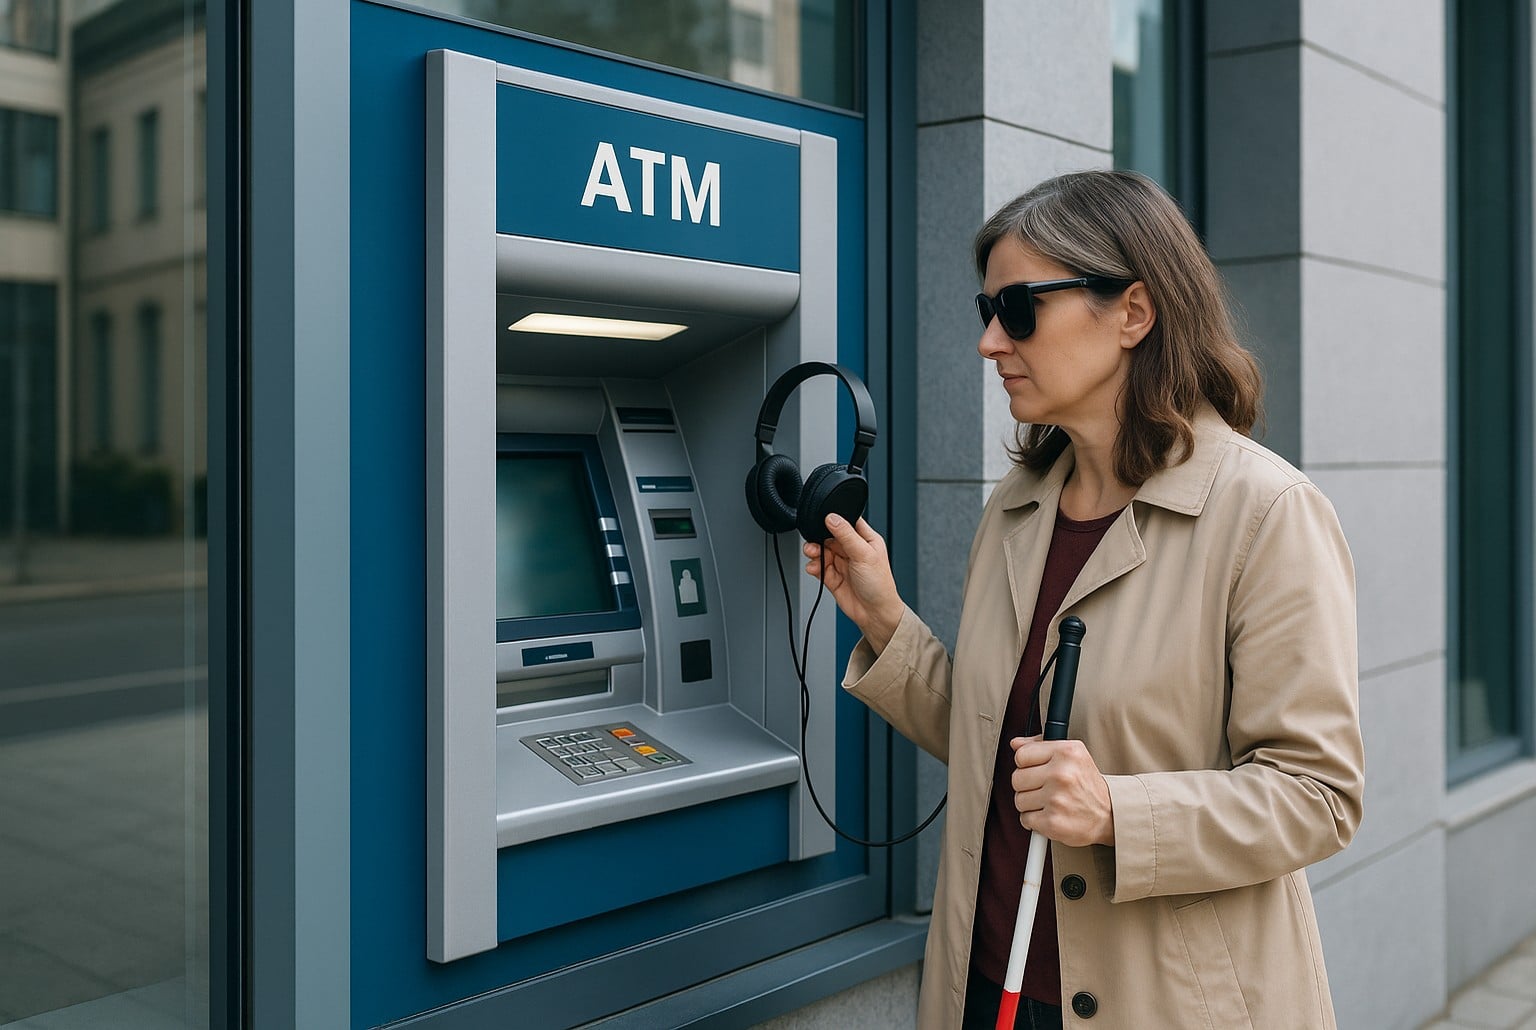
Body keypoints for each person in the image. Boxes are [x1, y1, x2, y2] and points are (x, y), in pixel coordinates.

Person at [804, 169, 1364, 1030]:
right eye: (985, 312)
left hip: (1166, 1005)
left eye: (1020, 310)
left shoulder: (1265, 514)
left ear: (1133, 313)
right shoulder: (1019, 507)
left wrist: (1117, 812)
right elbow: (1003, 747)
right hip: (988, 989)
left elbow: (1317, 796)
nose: (991, 342)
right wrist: (886, 621)